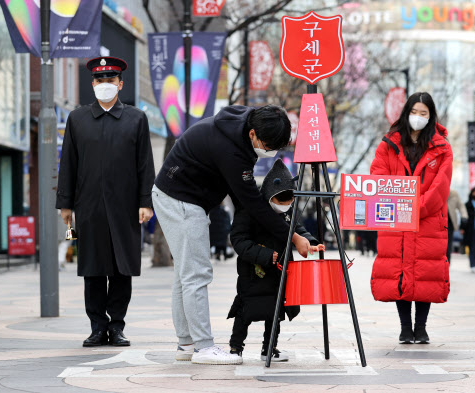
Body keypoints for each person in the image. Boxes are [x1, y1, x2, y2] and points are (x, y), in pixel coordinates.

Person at [152, 105, 312, 365]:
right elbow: (250, 201)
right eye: (268, 145)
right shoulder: (232, 151)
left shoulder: (242, 123)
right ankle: (203, 347)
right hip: (180, 199)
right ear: (252, 134)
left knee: (185, 274)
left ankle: (186, 343)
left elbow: (243, 198)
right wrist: (293, 236)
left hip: (179, 196)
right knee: (196, 273)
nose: (270, 152)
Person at [56, 56, 155, 347]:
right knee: (93, 269)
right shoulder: (77, 118)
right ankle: (97, 327)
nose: (105, 85)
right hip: (89, 207)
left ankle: (117, 326)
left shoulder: (136, 118)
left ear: (120, 84)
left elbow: (144, 164)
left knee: (122, 269)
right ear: (92, 84)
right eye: (100, 80)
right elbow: (68, 164)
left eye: (111, 80)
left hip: (126, 207)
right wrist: (66, 204)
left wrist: (145, 201)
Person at [370, 92, 452, 344]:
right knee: (400, 271)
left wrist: (416, 208)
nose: (417, 118)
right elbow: (378, 178)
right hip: (396, 218)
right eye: (414, 112)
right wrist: (402, 207)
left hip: (428, 219)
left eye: (423, 113)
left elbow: (441, 186)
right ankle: (406, 328)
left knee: (425, 271)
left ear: (431, 116)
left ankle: (422, 327)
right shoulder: (388, 144)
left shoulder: (442, 148)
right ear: (406, 113)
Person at [227, 159, 323, 362]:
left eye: (289, 201)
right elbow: (239, 240)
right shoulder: (249, 211)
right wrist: (262, 255)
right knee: (245, 310)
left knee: (275, 311)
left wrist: (311, 243)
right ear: (269, 196)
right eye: (281, 201)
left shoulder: (289, 212)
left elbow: (298, 230)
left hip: (280, 271)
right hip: (253, 272)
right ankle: (236, 347)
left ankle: (269, 348)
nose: (286, 206)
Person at [447, 189, 468, 264]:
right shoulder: (436, 191)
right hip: (437, 222)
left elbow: (461, 206)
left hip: (450, 223)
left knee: (448, 245)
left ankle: (447, 263)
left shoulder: (454, 194)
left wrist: (464, 216)